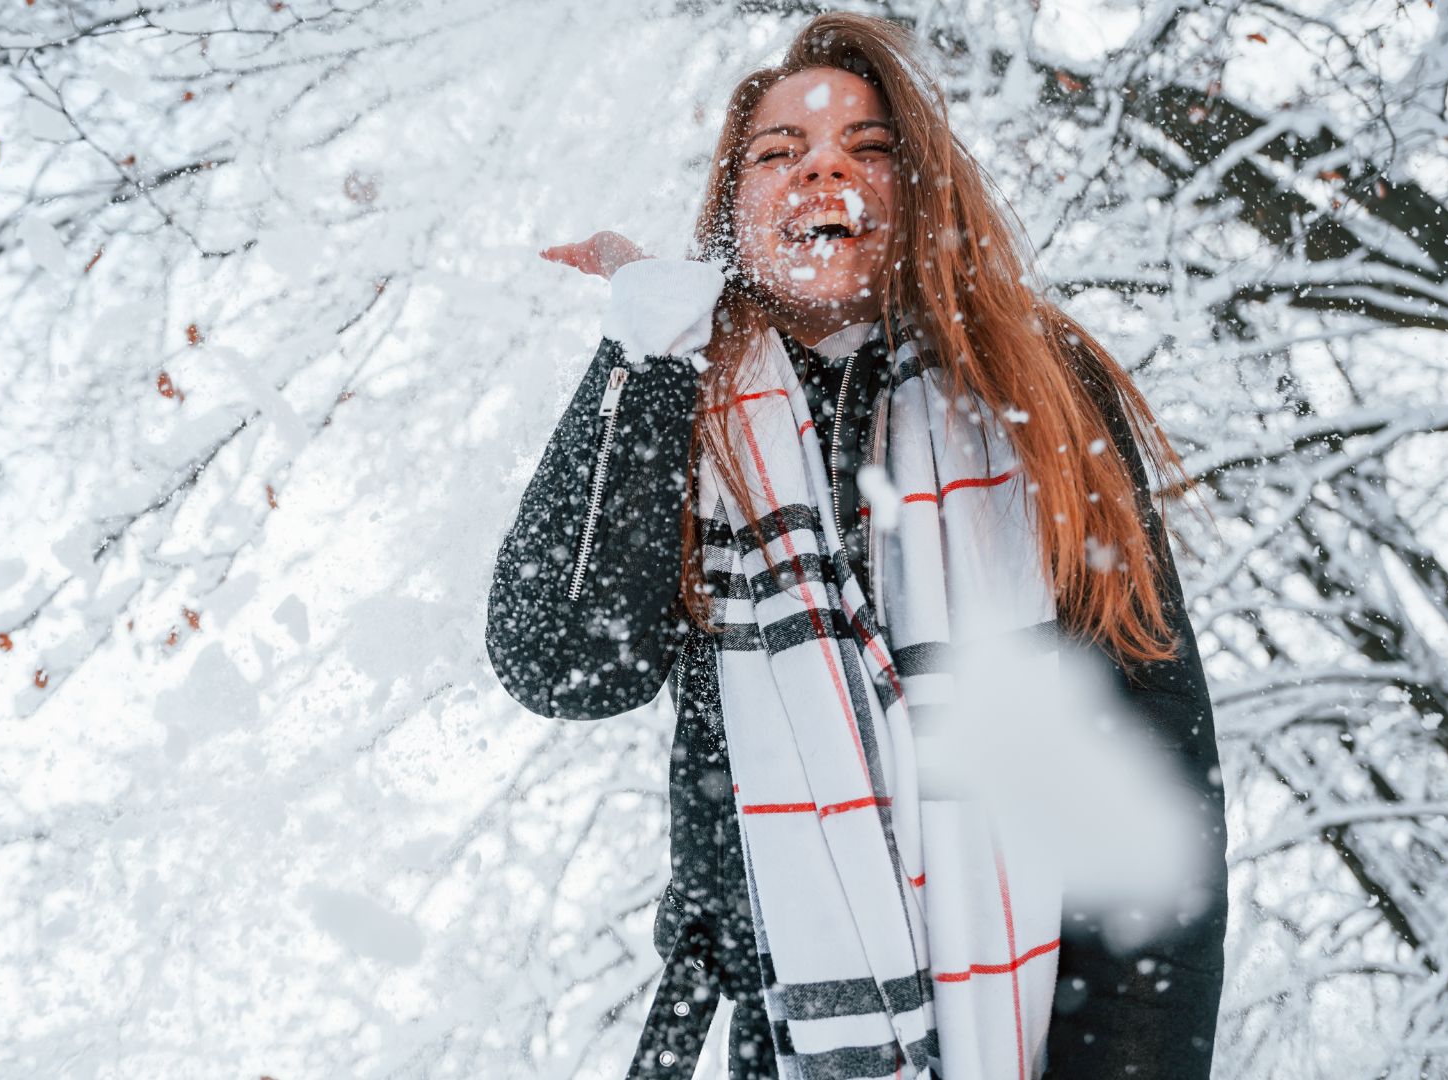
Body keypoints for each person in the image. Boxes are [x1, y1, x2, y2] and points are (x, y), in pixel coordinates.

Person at [485, 12, 1228, 1080]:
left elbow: (1157, 778)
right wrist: (644, 351)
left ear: (918, 197)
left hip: (1033, 1017)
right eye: (778, 153)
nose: (821, 169)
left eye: (867, 151)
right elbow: (561, 660)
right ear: (732, 210)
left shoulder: (1040, 393)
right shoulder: (684, 405)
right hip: (790, 1033)